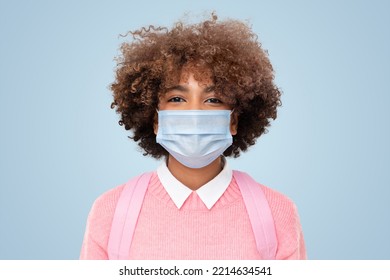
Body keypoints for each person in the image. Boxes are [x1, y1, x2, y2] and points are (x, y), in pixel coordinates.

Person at [80, 13, 306, 260]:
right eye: (177, 99)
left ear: (234, 121)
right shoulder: (111, 212)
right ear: (155, 120)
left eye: (213, 100)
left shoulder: (276, 213)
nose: (195, 113)